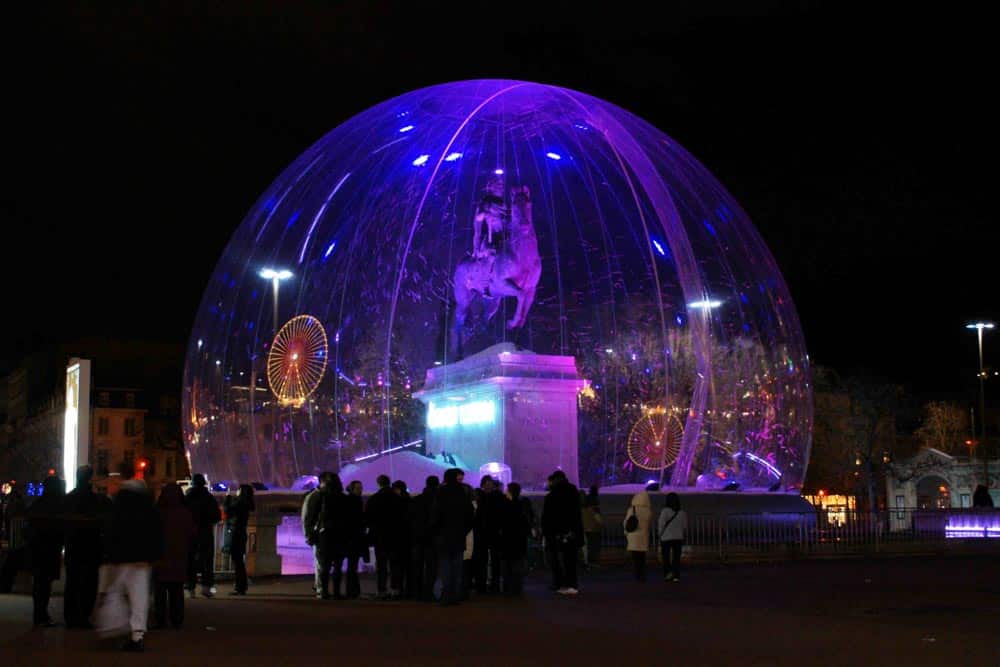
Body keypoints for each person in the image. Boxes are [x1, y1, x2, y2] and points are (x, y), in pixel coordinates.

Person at [96, 472, 163, 652]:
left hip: (121, 558)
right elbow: (156, 533)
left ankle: (113, 626)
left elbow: (110, 532)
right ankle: (137, 634)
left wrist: (109, 554)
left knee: (115, 591)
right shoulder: (149, 508)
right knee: (139, 596)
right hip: (141, 560)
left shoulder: (118, 506)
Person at [63, 465, 112, 629]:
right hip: (92, 547)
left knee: (73, 582)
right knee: (89, 583)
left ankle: (71, 616)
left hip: (74, 546)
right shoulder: (98, 501)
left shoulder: (69, 499)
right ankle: (83, 615)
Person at [429, 468, 474, 606]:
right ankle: (455, 594)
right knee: (457, 566)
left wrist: (436, 531)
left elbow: (435, 515)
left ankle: (446, 595)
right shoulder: (463, 492)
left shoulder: (441, 492)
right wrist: (463, 531)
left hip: (443, 536)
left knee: (445, 567)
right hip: (458, 536)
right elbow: (470, 515)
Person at [26, 475, 65, 627]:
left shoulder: (38, 504)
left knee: (40, 583)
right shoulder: (56, 506)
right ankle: (41, 615)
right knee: (44, 584)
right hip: (49, 549)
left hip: (38, 549)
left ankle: (39, 615)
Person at [153, 482, 194, 629]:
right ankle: (177, 619)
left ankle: (160, 619)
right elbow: (191, 534)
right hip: (179, 556)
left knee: (160, 591)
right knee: (176, 590)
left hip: (161, 555)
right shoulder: (185, 513)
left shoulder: (159, 512)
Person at [541, 470, 584, 595]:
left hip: (555, 533)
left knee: (556, 560)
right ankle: (571, 583)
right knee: (570, 560)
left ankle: (559, 583)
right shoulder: (573, 492)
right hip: (572, 532)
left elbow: (547, 517)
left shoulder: (551, 496)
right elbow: (576, 514)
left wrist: (546, 531)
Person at [365, 474, 405, 599]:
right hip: (395, 536)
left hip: (379, 537)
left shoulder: (373, 499)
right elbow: (403, 518)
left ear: (379, 484)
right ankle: (395, 589)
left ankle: (381, 590)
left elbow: (368, 518)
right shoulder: (398, 499)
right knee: (395, 564)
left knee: (381, 565)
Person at [184, 473, 221, 598]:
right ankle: (206, 587)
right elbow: (217, 516)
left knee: (190, 560)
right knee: (207, 560)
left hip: (191, 532)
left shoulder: (188, 497)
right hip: (205, 532)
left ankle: (191, 588)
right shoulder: (209, 498)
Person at [316, 474, 352, 599]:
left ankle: (324, 591)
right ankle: (336, 592)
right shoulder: (345, 499)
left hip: (326, 535)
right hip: (340, 535)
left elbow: (320, 516)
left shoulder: (324, 498)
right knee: (338, 565)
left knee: (325, 566)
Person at [408, 475, 440, 601]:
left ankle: (417, 592)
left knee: (418, 566)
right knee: (431, 567)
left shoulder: (416, 500)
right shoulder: (438, 500)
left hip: (418, 537)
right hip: (433, 538)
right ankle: (429, 592)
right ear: (437, 484)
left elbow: (409, 519)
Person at [303, 472, 334, 597]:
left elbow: (306, 517)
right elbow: (307, 518)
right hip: (318, 534)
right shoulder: (316, 496)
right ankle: (320, 588)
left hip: (319, 533)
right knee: (320, 562)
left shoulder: (317, 495)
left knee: (320, 562)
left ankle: (319, 586)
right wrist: (309, 534)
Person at [473, 475, 504, 593]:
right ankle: (493, 585)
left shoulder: (478, 497)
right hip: (493, 532)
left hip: (482, 532)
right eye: (488, 483)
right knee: (493, 560)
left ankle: (482, 585)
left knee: (482, 559)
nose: (489, 485)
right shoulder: (498, 497)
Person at [223, 484, 255, 595]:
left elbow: (227, 510)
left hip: (235, 534)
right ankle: (241, 586)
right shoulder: (246, 503)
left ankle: (240, 587)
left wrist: (227, 497)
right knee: (239, 562)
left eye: (238, 489)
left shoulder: (240, 502)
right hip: (241, 533)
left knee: (237, 562)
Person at [500, 482, 530, 594]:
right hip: (519, 539)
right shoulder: (522, 504)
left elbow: (502, 522)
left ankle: (508, 587)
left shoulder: (505, 505)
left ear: (509, 491)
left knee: (507, 564)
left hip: (507, 538)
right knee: (517, 563)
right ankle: (517, 587)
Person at [624, 484, 654, 581]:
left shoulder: (631, 510)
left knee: (635, 559)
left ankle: (637, 576)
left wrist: (626, 533)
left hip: (633, 537)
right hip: (643, 537)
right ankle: (642, 575)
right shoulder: (648, 511)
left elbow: (626, 523)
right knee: (642, 558)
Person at [343, 479, 366, 599]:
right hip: (354, 538)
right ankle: (353, 591)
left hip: (351, 538)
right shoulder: (355, 501)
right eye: (358, 488)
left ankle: (352, 591)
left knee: (352, 566)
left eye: (361, 488)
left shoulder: (350, 500)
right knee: (353, 565)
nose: (361, 490)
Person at [658, 492, 687, 582]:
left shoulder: (665, 511)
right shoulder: (682, 512)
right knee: (676, 558)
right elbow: (684, 526)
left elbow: (661, 524)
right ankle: (676, 576)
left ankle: (668, 574)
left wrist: (659, 534)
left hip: (666, 538)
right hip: (678, 537)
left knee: (666, 557)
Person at [391, 480, 412, 597]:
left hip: (395, 538)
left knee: (396, 566)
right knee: (408, 566)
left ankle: (397, 590)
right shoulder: (409, 501)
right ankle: (409, 590)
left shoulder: (392, 502)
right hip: (408, 538)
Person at [581, 485, 602, 569]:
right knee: (594, 546)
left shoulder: (583, 509)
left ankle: (588, 562)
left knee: (588, 547)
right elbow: (598, 519)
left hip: (586, 528)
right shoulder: (594, 508)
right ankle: (593, 562)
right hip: (594, 529)